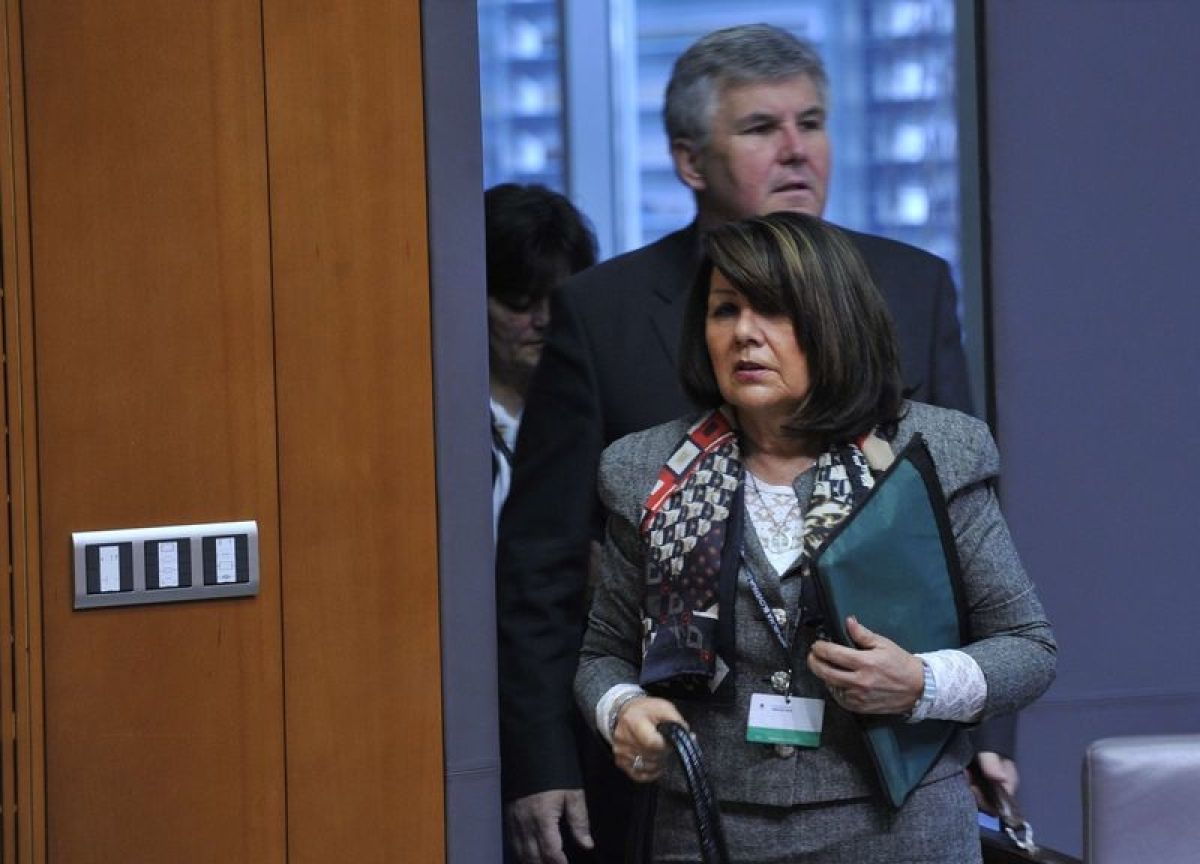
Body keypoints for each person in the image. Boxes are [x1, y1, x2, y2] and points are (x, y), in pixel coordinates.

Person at [496, 24, 1009, 864]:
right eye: (762, 128)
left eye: (812, 123)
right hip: (681, 765)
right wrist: (541, 763)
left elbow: (967, 543)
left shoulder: (910, 284)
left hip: (889, 764)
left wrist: (982, 728)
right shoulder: (603, 312)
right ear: (690, 161)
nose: (796, 150)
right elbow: (540, 567)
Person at [575, 211, 1055, 863]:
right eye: (725, 310)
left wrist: (920, 683)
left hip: (899, 829)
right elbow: (603, 654)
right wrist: (622, 708)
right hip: (708, 828)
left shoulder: (930, 453)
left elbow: (1027, 648)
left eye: (774, 310)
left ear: (835, 321)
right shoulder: (649, 469)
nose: (745, 333)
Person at [484, 183, 597, 537]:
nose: (545, 319)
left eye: (560, 300)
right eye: (521, 300)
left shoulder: (601, 418)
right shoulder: (439, 428)